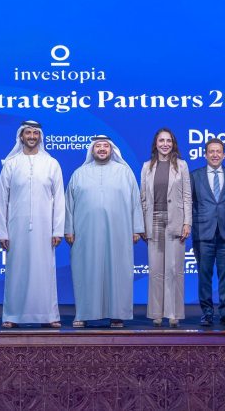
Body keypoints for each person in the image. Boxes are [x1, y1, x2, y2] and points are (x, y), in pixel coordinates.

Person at [65, 135, 144, 328]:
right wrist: (69, 229)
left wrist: (136, 228)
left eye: (105, 146)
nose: (101, 149)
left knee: (118, 272)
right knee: (85, 272)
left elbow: (135, 202)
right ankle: (83, 314)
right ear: (92, 150)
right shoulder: (79, 174)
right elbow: (68, 205)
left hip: (119, 232)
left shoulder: (124, 172)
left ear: (111, 150)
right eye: (98, 146)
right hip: (85, 234)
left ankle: (117, 314)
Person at [0, 120, 65, 328]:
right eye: (28, 133)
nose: (32, 136)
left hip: (45, 229)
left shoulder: (51, 163)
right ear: (21, 136)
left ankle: (49, 315)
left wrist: (58, 230)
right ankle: (12, 316)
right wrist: (2, 232)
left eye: (35, 133)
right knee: (16, 271)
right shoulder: (11, 164)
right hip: (16, 228)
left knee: (45, 271)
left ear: (40, 136)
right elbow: (2, 200)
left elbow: (59, 199)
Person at [139, 128, 191, 328]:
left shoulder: (181, 165)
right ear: (156, 143)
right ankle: (156, 313)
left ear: (173, 143)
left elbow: (187, 196)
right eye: (161, 140)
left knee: (174, 269)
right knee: (155, 270)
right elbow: (143, 198)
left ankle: (173, 314)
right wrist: (141, 224)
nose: (165, 144)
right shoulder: (147, 167)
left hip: (175, 220)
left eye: (168, 141)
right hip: (153, 221)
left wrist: (187, 222)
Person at [190, 138, 225, 327]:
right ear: (205, 155)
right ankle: (206, 313)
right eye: (211, 151)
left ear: (224, 154)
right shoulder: (194, 176)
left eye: (218, 151)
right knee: (204, 275)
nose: (215, 155)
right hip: (203, 233)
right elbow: (190, 202)